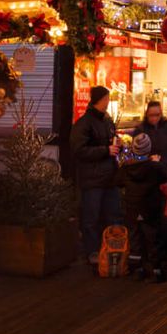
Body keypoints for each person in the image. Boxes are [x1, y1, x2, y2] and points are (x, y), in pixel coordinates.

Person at [70, 86, 122, 264]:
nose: (108, 102)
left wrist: (116, 145)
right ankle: (92, 251)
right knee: (91, 217)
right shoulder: (84, 123)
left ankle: (111, 249)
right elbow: (79, 150)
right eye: (107, 99)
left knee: (112, 214)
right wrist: (105, 150)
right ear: (100, 100)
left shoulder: (106, 121)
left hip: (109, 177)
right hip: (92, 178)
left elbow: (109, 141)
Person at [114, 133, 167, 282]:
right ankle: (156, 271)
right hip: (150, 208)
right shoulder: (154, 167)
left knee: (135, 238)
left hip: (132, 208)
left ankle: (137, 269)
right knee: (152, 239)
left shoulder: (126, 167)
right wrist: (158, 162)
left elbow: (118, 182)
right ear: (148, 149)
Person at [131, 101, 167, 170]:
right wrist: (149, 160)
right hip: (149, 171)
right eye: (151, 115)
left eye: (157, 115)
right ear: (146, 114)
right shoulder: (140, 130)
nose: (154, 118)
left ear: (161, 114)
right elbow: (137, 154)